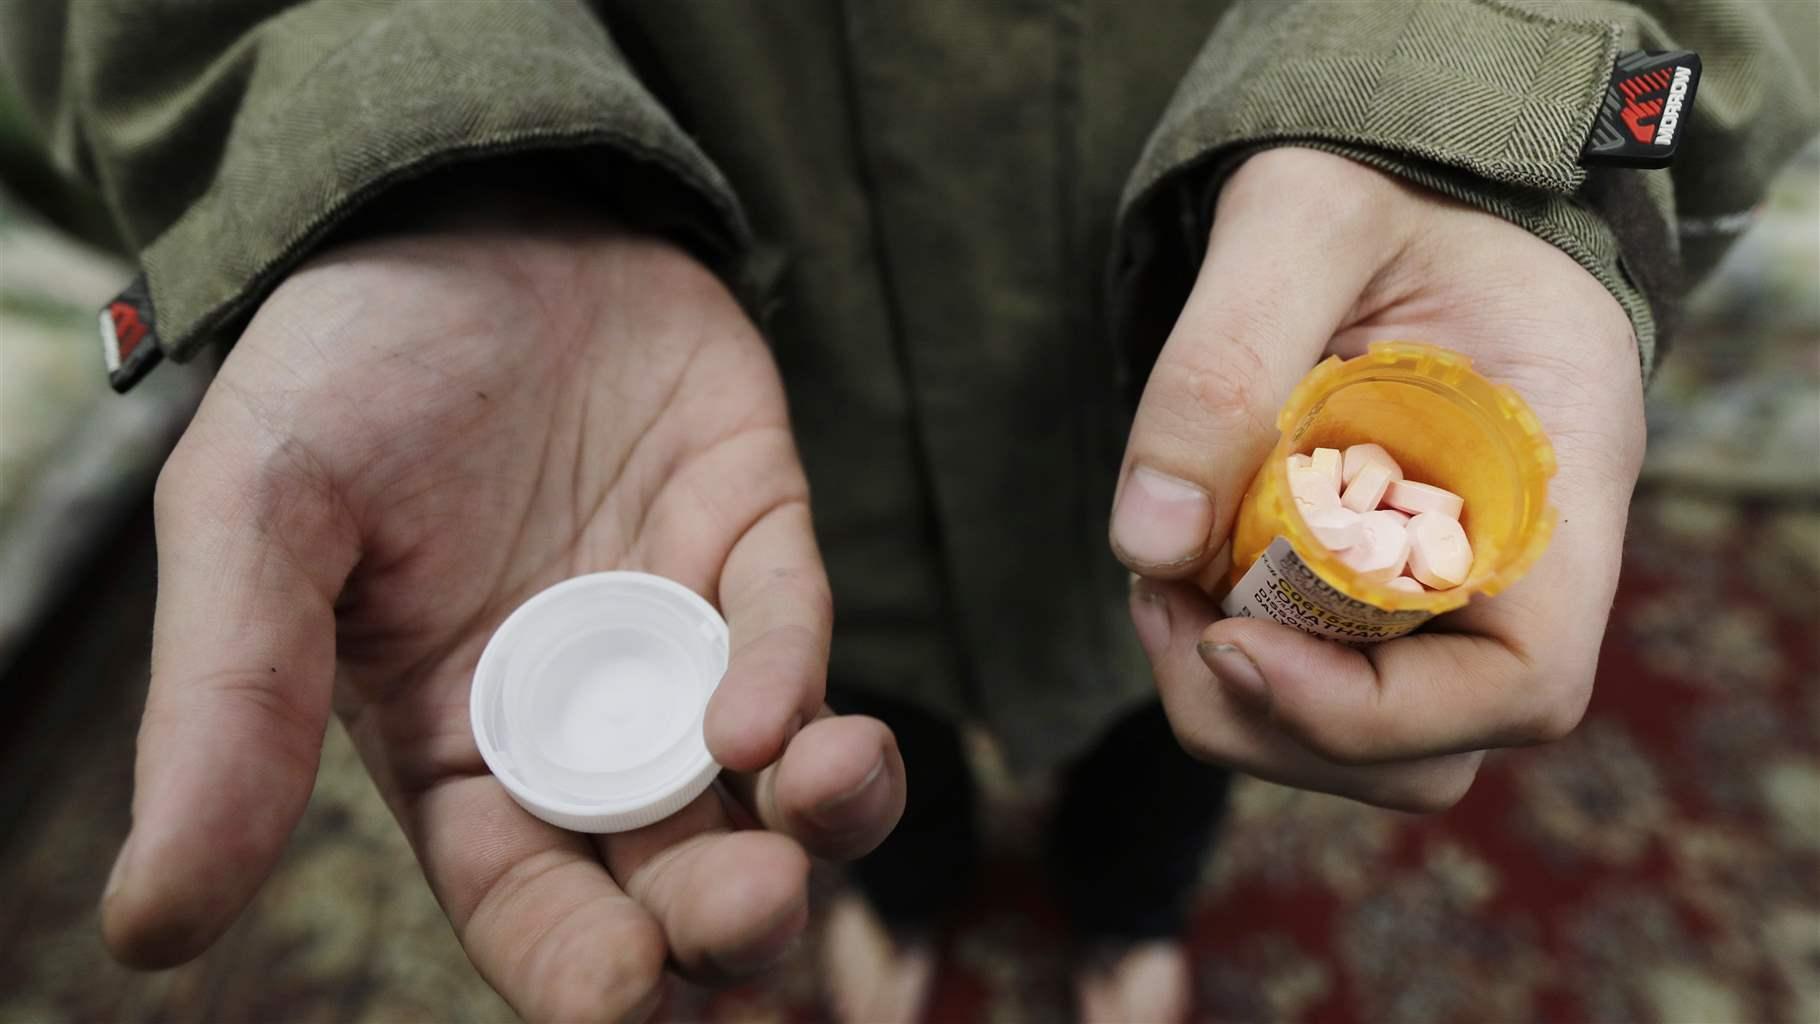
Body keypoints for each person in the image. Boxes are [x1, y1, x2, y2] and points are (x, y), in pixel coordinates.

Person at [4, 2, 1812, 1021]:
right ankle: (930, 882)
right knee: (843, 727)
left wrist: (1470, 109)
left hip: (1217, 306)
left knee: (1199, 712)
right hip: (746, 391)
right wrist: (391, 147)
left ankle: (1125, 918)